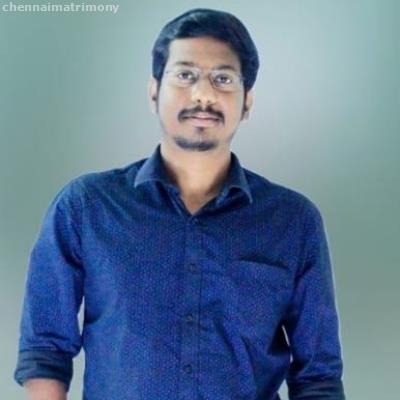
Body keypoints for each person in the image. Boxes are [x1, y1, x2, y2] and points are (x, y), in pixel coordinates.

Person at [14, 8, 346, 400]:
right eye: (185, 75)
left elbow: (318, 377)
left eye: (223, 78)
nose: (203, 94)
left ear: (247, 102)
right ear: (154, 91)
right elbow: (45, 349)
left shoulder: (292, 221)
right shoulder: (87, 207)